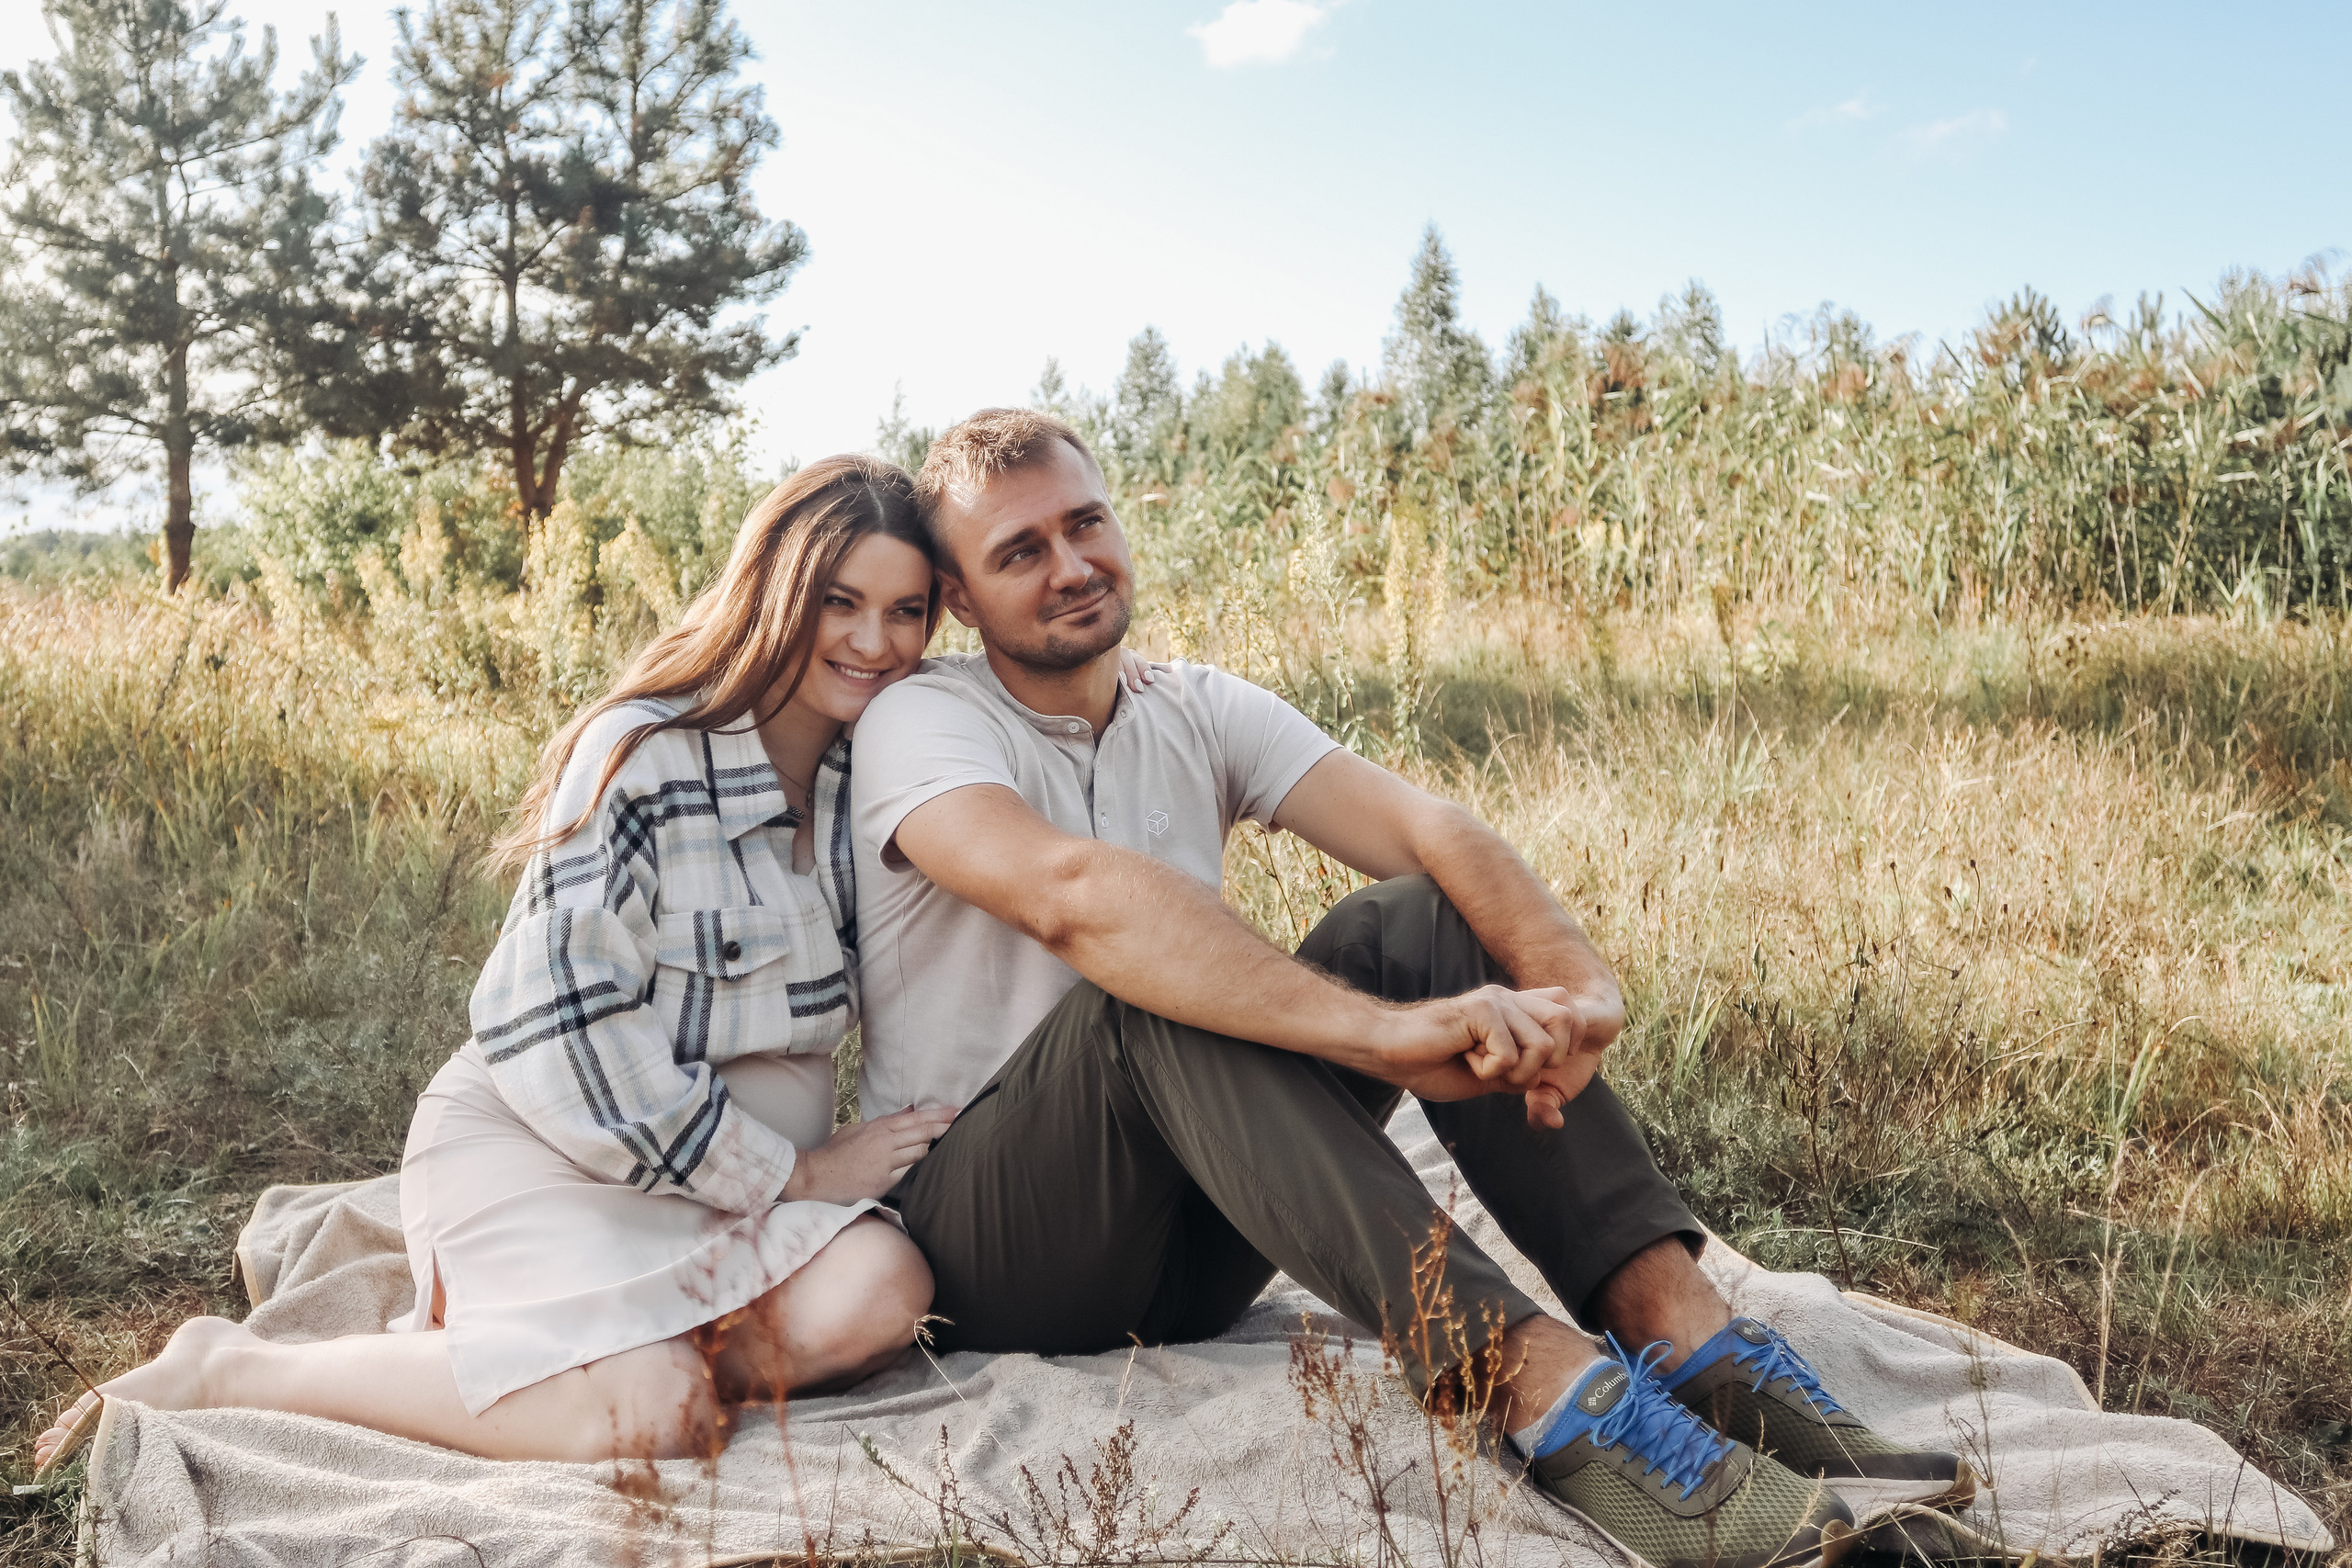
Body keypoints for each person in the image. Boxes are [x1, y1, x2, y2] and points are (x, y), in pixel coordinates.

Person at [846, 410, 1974, 1568]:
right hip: (995, 1243)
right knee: (1148, 992)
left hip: (1204, 1246)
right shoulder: (921, 720)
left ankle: (1683, 1336)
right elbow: (1070, 897)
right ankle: (1548, 1396)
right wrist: (1379, 1038)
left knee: (1424, 916)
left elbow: (1427, 829)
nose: (1072, 565)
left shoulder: (1188, 702)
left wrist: (1575, 985)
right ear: (960, 600)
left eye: (1085, 524)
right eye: (1020, 550)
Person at [30, 456, 1155, 1475]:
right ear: (775, 595)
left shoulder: (886, 764)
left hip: (725, 1192)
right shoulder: (648, 752)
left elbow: (1026, 744)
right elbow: (556, 1026)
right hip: (552, 1146)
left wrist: (1138, 694)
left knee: (882, 1295)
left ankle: (566, 1362)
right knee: (649, 1417)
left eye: (905, 611)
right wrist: (794, 1178)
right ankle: (235, 1371)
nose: (874, 641)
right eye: (838, 603)